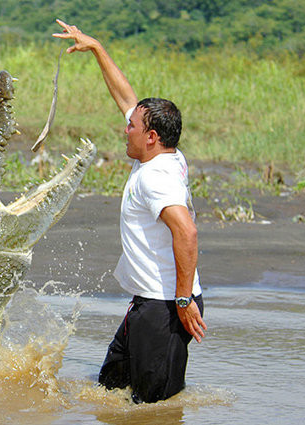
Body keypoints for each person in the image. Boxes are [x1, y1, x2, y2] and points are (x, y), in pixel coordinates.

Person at [53, 19, 207, 404]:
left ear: (151, 136)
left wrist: (183, 301)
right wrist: (97, 48)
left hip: (167, 306)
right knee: (110, 390)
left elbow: (186, 233)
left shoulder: (156, 178)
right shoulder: (165, 155)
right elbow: (126, 99)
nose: (126, 129)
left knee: (156, 407)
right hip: (148, 302)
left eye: (132, 127)